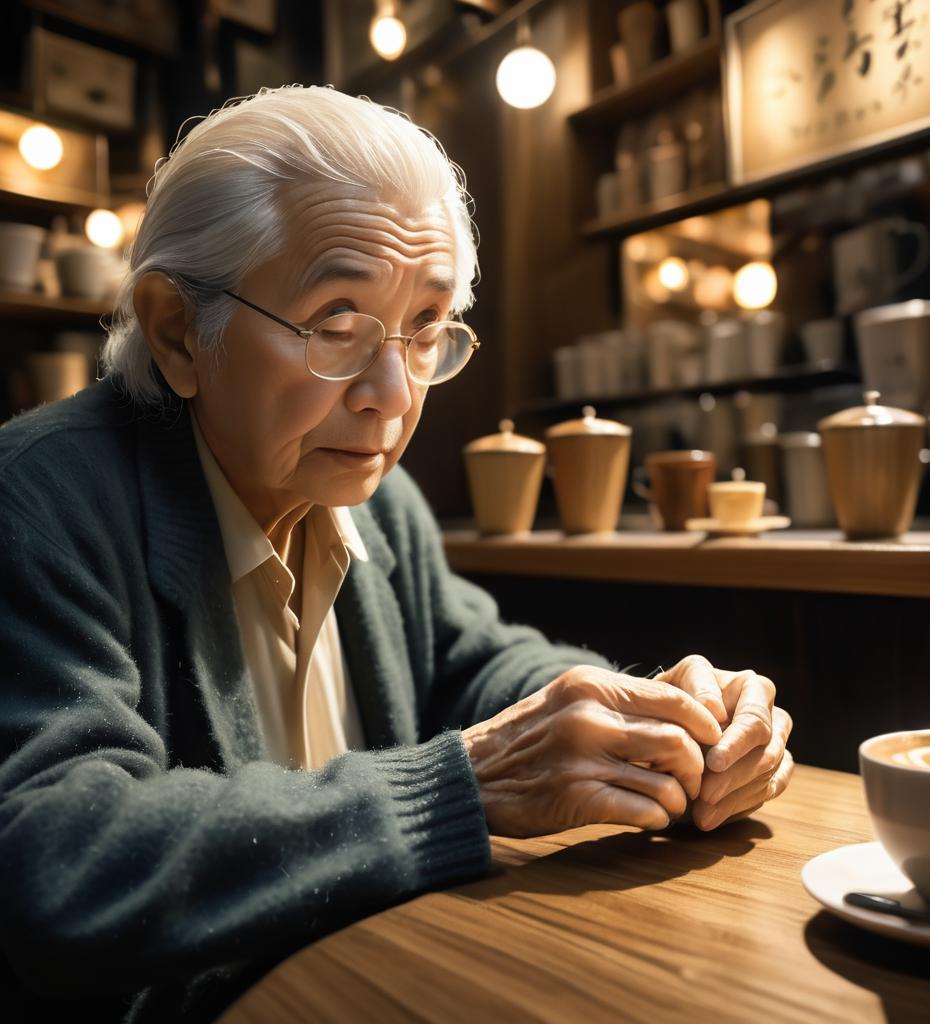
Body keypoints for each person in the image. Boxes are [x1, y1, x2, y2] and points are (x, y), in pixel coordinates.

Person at [0, 86, 793, 1024]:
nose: (392, 393)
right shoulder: (40, 503)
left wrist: (658, 716)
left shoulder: (375, 501)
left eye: (424, 329)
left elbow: (479, 662)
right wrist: (459, 787)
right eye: (337, 322)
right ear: (178, 331)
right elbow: (58, 864)